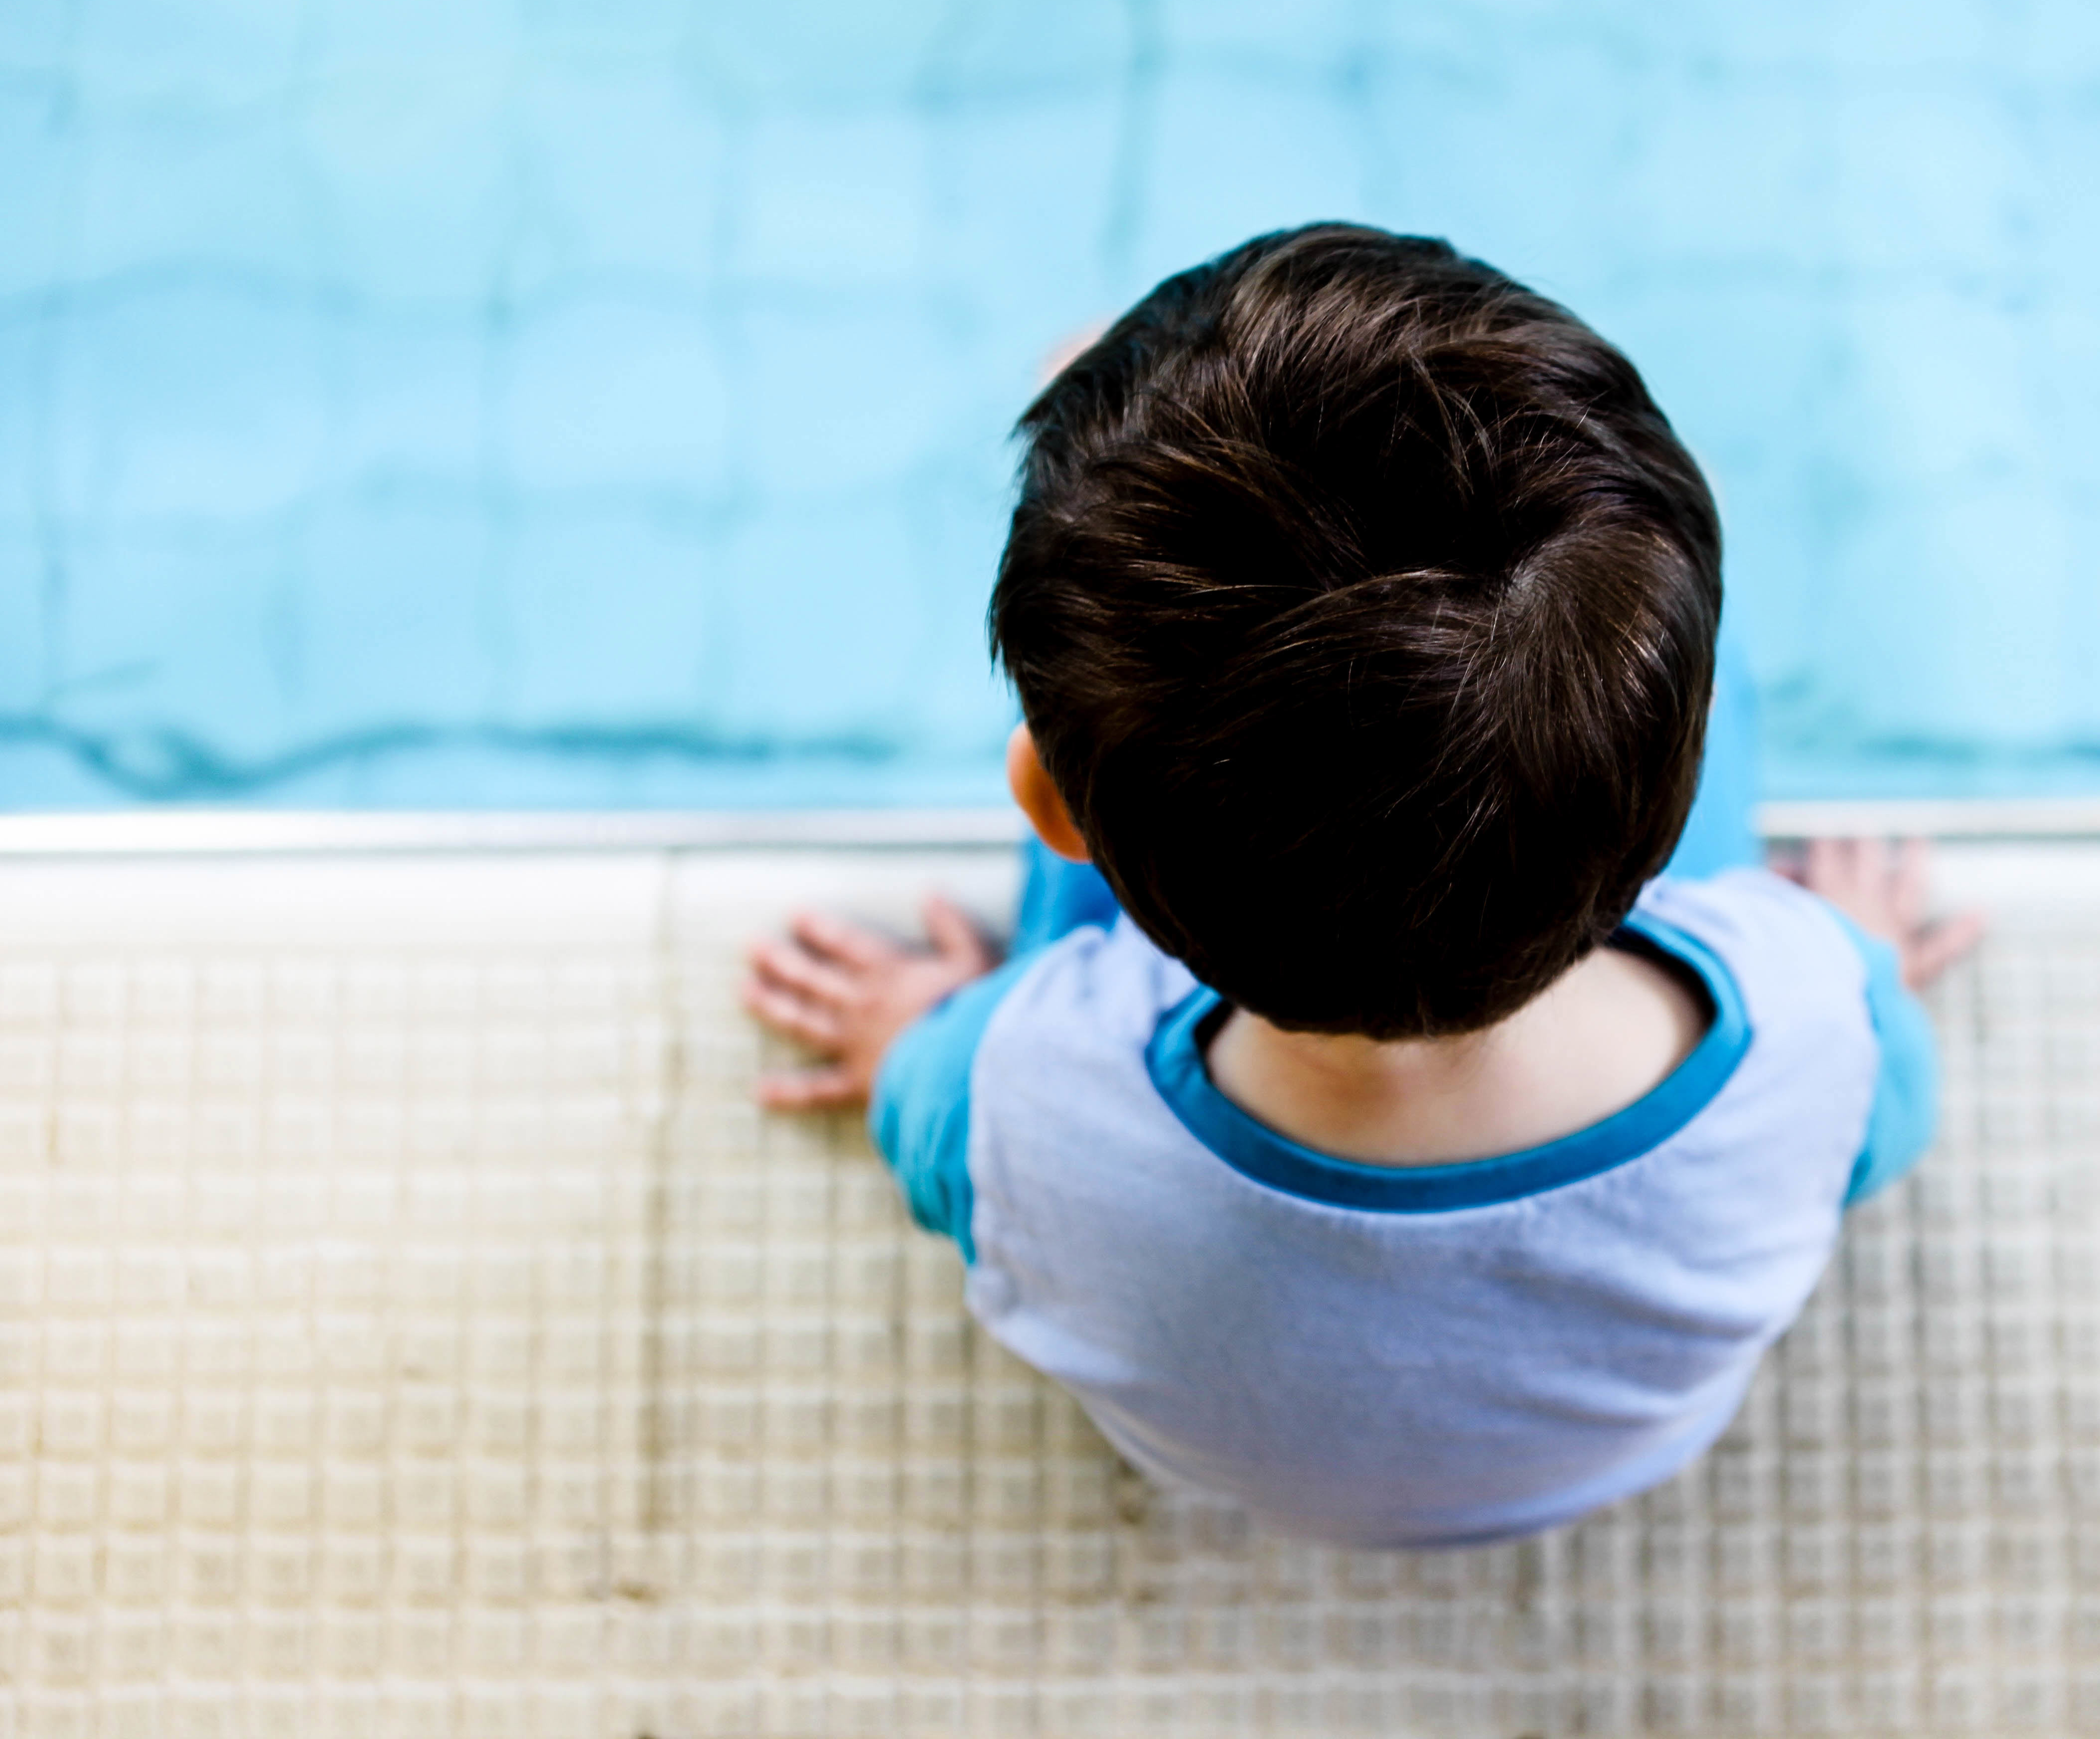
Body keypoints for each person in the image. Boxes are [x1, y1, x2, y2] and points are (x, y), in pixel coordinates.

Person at [739, 224, 1982, 1548]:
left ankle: (1117, 429)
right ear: (1664, 830)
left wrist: (904, 1032)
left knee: (1194, 777)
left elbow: (927, 1119)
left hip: (1232, 1416)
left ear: (1044, 804)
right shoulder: (1811, 1015)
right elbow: (1880, 1118)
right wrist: (1859, 948)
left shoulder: (1023, 1093)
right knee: (1603, 675)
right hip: (1609, 1453)